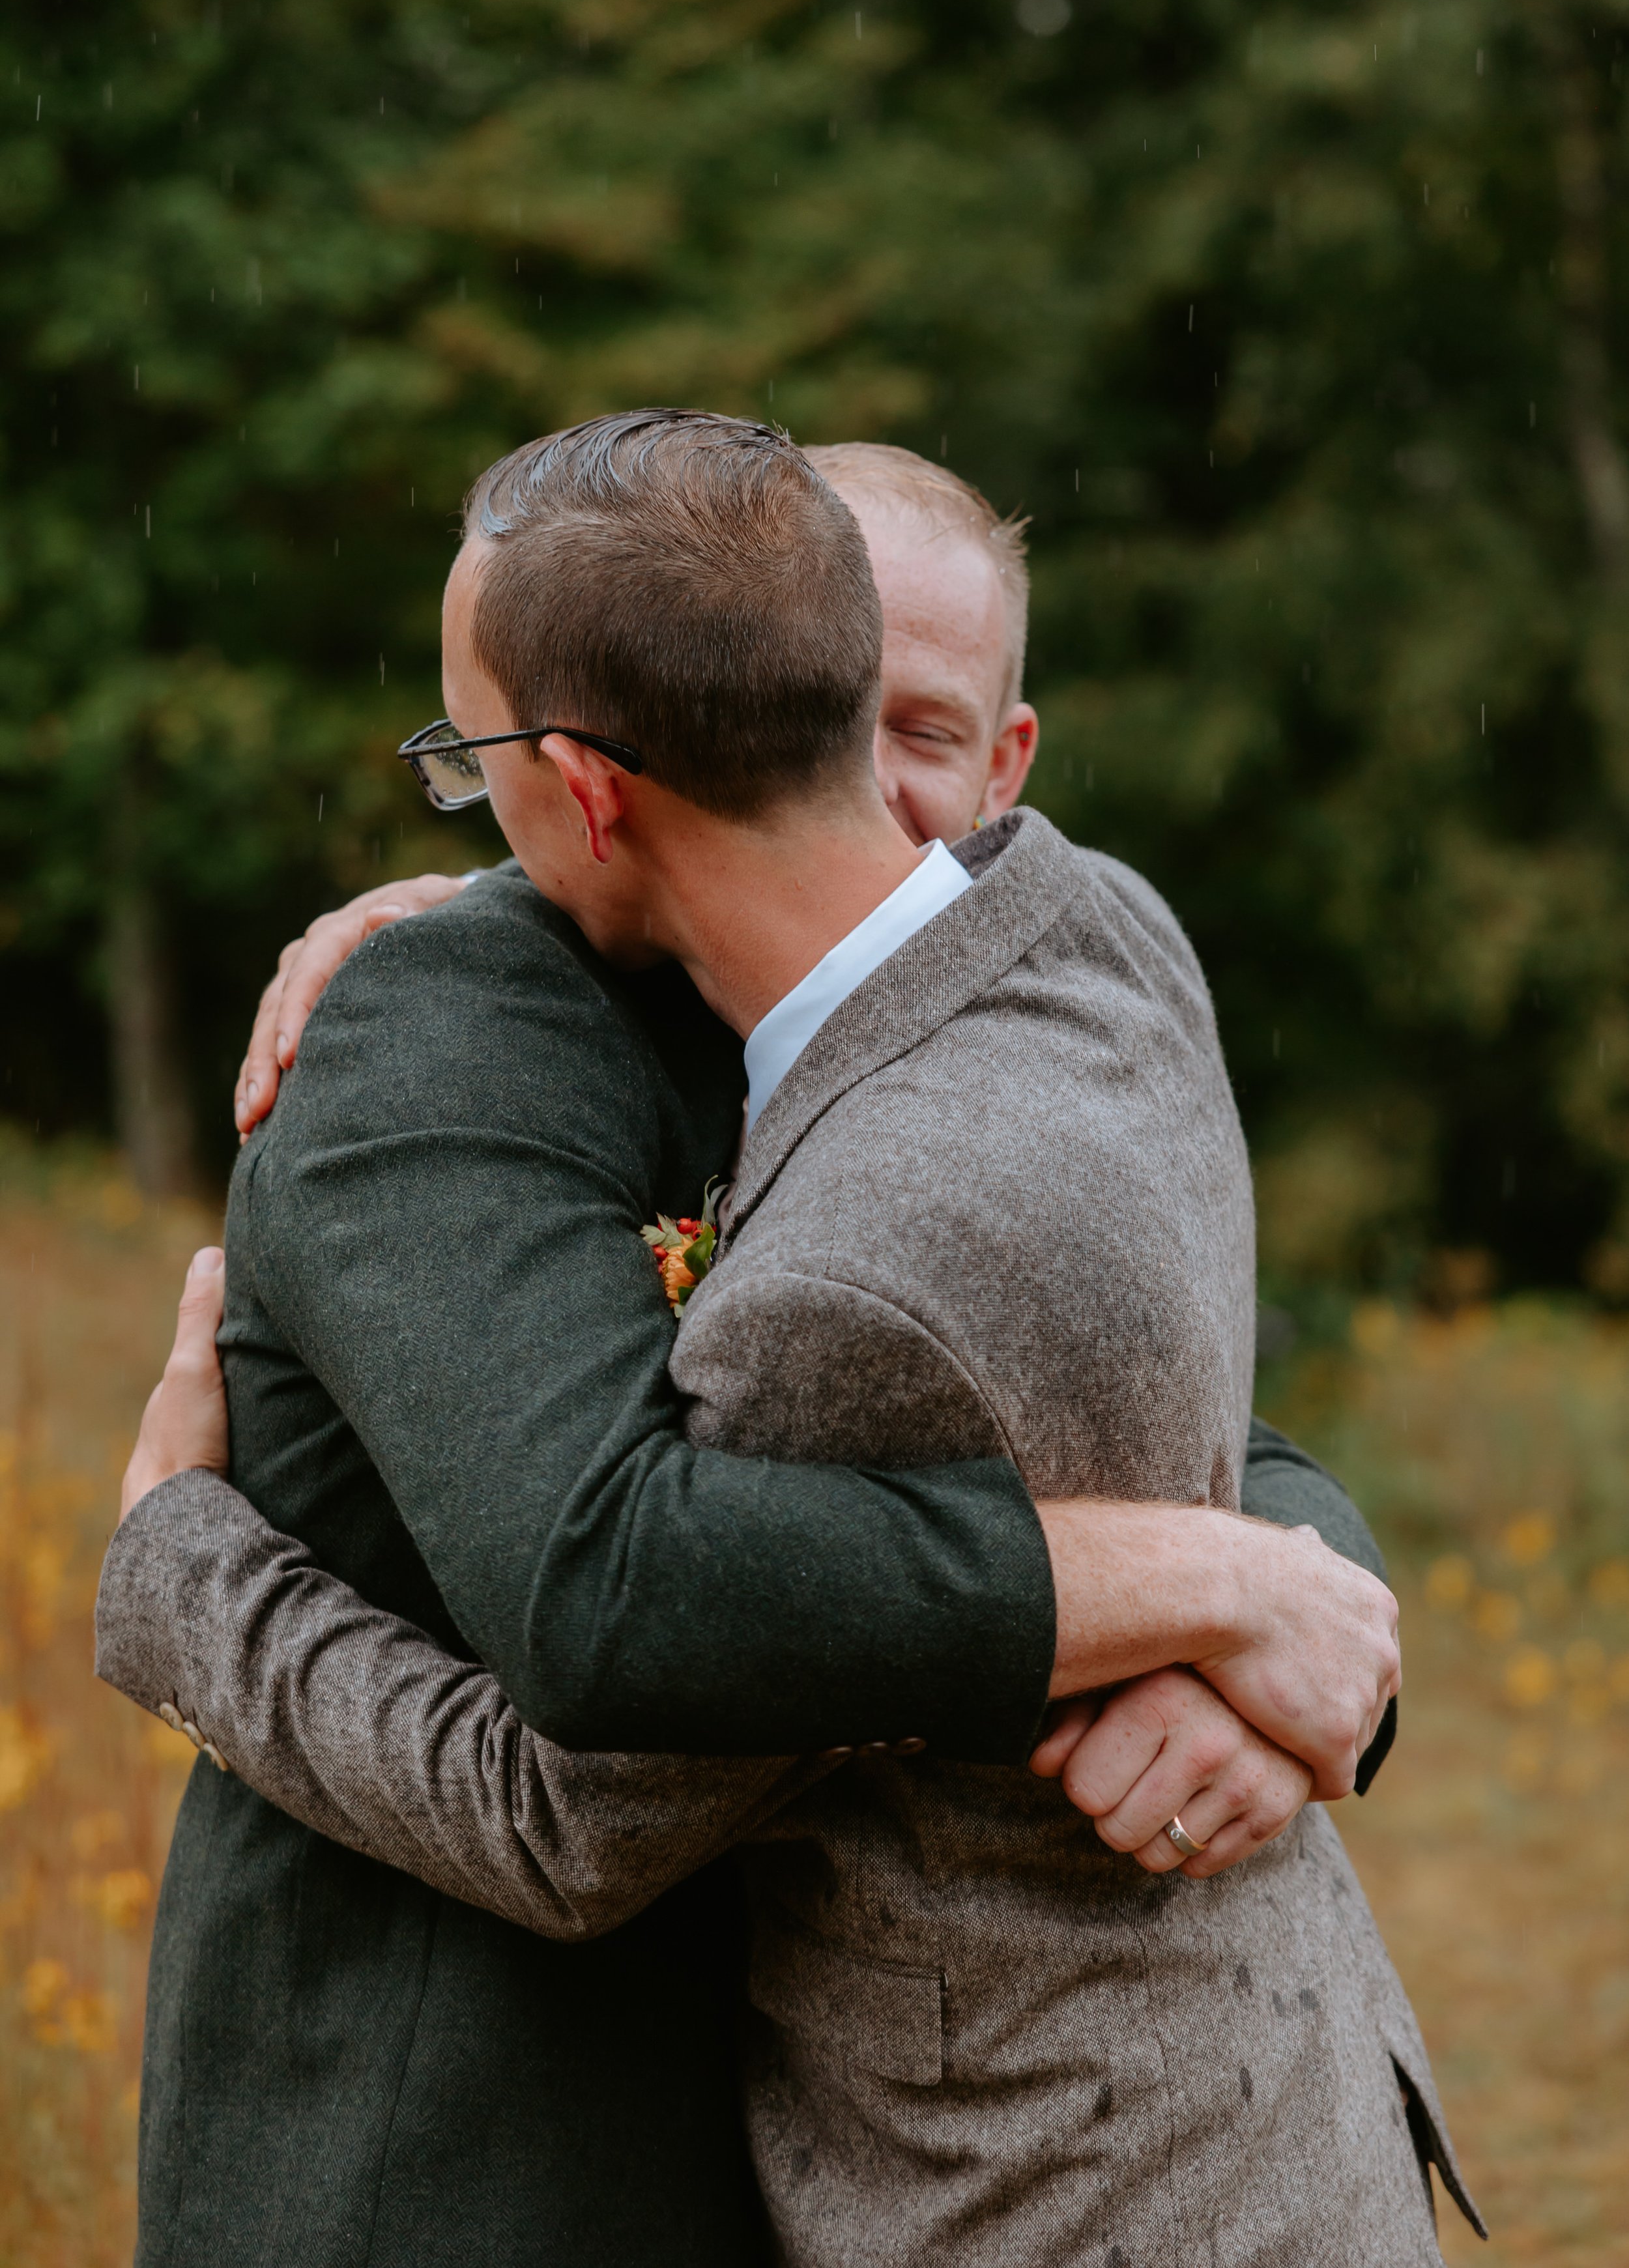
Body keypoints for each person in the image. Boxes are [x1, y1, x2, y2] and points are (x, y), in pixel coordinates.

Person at [100, 419, 1424, 2268]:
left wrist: (1294, 1605)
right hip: (477, 2145)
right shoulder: (456, 1034)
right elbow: (636, 1616)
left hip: (1053, 2172)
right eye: (845, 711)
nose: (881, 799)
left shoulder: (1040, 957)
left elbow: (1130, 1387)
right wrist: (1217, 1587)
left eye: (926, 730)